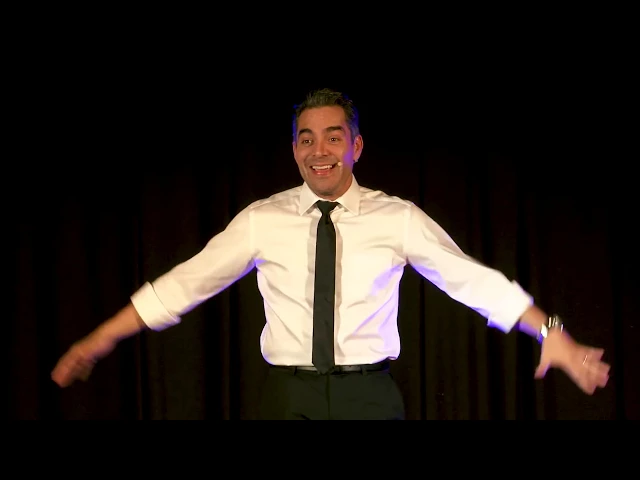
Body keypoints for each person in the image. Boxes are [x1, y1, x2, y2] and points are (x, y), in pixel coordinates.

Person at [51, 88, 610, 420]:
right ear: (294, 149)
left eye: (334, 137)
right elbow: (184, 284)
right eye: (306, 138)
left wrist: (551, 331)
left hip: (369, 395)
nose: (320, 151)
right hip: (285, 396)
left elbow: (474, 282)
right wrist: (99, 338)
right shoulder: (262, 219)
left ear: (356, 146)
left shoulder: (397, 217)